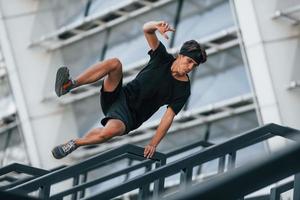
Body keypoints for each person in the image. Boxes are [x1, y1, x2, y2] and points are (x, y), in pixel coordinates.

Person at [52, 20, 207, 160]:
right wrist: (155, 26)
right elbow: (146, 30)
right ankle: (69, 85)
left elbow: (168, 118)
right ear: (180, 56)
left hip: (129, 118)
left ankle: (75, 143)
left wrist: (153, 144)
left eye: (194, 65)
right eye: (189, 61)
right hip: (118, 95)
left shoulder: (183, 89)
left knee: (108, 132)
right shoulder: (162, 58)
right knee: (114, 63)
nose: (190, 67)